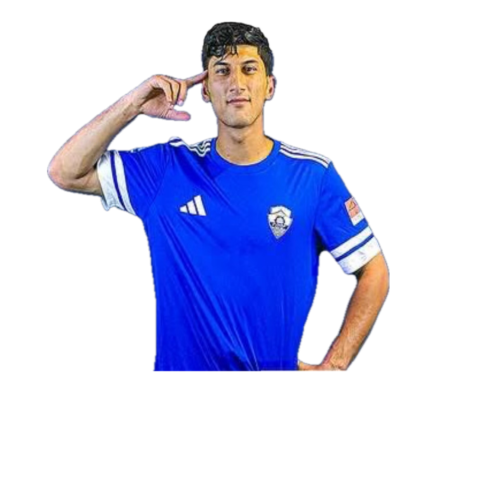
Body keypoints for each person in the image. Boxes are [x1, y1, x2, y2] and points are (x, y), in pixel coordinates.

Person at [47, 21, 390, 372]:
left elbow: (374, 271)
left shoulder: (313, 176)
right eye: (222, 71)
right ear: (205, 89)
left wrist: (334, 367)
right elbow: (65, 171)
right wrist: (135, 103)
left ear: (270, 86)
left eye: (249, 69)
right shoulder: (167, 169)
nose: (236, 83)